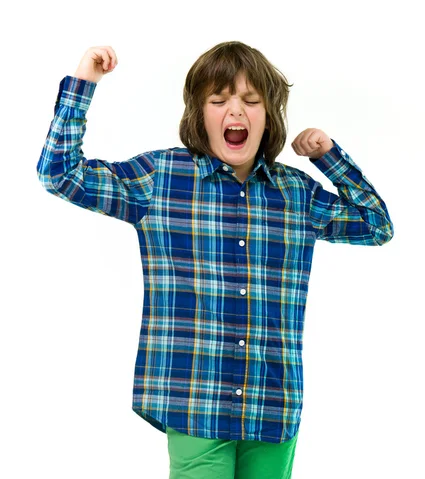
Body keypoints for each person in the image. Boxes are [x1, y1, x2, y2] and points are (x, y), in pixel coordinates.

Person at [37, 41, 394, 479]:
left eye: (250, 100)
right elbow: (59, 173)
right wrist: (84, 82)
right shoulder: (159, 179)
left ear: (270, 114)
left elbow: (376, 225)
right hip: (193, 399)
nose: (235, 112)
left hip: (272, 403)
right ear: (198, 114)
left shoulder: (297, 194)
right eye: (219, 100)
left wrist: (329, 157)